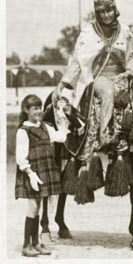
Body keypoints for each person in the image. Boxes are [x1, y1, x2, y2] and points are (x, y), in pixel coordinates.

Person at [52, 0, 133, 158]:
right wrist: (62, 84)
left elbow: (131, 56)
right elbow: (77, 61)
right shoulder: (88, 33)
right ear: (97, 13)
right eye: (102, 12)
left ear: (115, 10)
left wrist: (129, 71)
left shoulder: (125, 31)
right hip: (98, 77)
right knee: (108, 91)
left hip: (122, 76)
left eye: (109, 11)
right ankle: (105, 134)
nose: (106, 15)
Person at [15, 94, 70, 257]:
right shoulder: (23, 131)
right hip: (32, 172)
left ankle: (36, 243)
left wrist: (62, 120)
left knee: (38, 207)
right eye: (34, 108)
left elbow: (61, 137)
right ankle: (26, 245)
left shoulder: (45, 126)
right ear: (26, 110)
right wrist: (30, 174)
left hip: (45, 171)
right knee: (32, 207)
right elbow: (20, 157)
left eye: (39, 108)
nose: (38, 111)